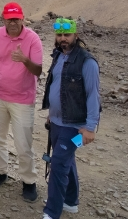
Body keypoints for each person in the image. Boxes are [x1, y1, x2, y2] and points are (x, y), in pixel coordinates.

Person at [0, 2, 43, 202]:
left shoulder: (32, 39)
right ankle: (0, 172)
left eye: (16, 19)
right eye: (9, 19)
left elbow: (38, 71)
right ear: (3, 19)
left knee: (23, 142)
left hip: (22, 99)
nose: (13, 23)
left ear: (22, 18)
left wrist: (24, 59)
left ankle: (29, 181)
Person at [40, 18, 100, 219]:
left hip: (75, 128)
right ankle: (71, 201)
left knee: (58, 164)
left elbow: (93, 95)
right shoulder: (58, 55)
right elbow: (57, 86)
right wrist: (52, 113)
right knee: (65, 160)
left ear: (76, 35)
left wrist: (90, 127)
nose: (63, 39)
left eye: (67, 35)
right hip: (57, 122)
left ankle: (51, 213)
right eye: (59, 35)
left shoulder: (87, 62)